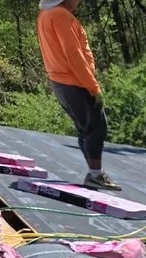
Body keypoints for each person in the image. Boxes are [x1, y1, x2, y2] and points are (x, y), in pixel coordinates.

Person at [37, 0, 120, 190]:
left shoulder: (46, 16)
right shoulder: (60, 15)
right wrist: (93, 86)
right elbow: (73, 54)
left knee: (86, 128)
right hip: (72, 81)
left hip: (61, 81)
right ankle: (95, 175)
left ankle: (95, 173)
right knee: (97, 127)